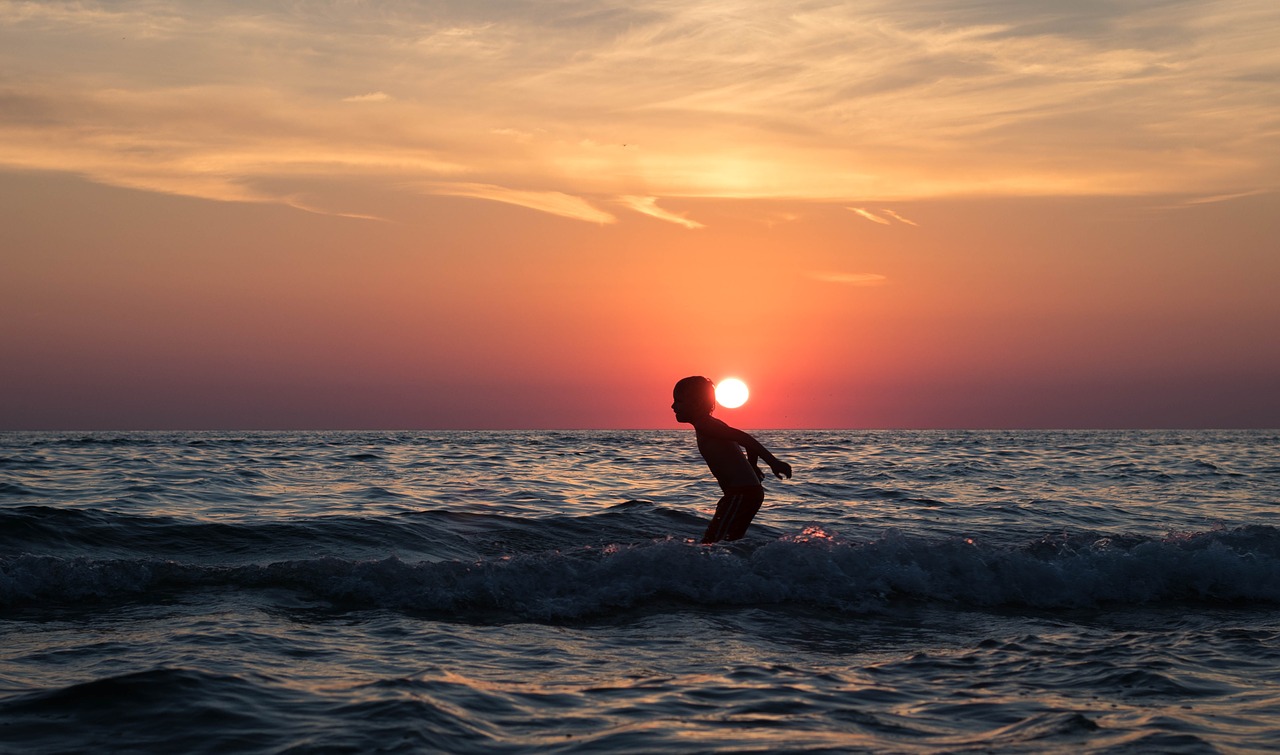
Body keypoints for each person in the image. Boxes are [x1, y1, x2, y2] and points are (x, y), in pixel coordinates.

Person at [671, 376, 792, 543]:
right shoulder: (712, 424)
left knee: (713, 543)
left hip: (741, 494)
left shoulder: (706, 426)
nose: (673, 406)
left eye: (678, 401)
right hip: (744, 493)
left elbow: (745, 439)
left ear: (696, 403)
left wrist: (773, 462)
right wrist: (752, 466)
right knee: (726, 541)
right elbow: (746, 444)